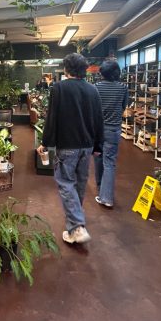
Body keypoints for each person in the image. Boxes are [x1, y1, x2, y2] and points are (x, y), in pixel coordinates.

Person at [37, 53, 103, 244]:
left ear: (66, 69)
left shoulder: (59, 88)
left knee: (66, 184)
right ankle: (74, 228)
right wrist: (98, 145)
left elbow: (52, 118)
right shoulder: (93, 90)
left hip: (67, 145)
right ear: (84, 69)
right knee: (79, 184)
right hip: (87, 146)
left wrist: (46, 142)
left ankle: (77, 226)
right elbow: (99, 120)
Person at [93, 59, 128, 208]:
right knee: (110, 163)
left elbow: (92, 108)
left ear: (102, 73)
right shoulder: (122, 88)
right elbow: (123, 106)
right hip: (113, 129)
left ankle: (101, 186)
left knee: (97, 156)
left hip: (97, 129)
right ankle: (106, 196)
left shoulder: (96, 87)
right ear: (117, 73)